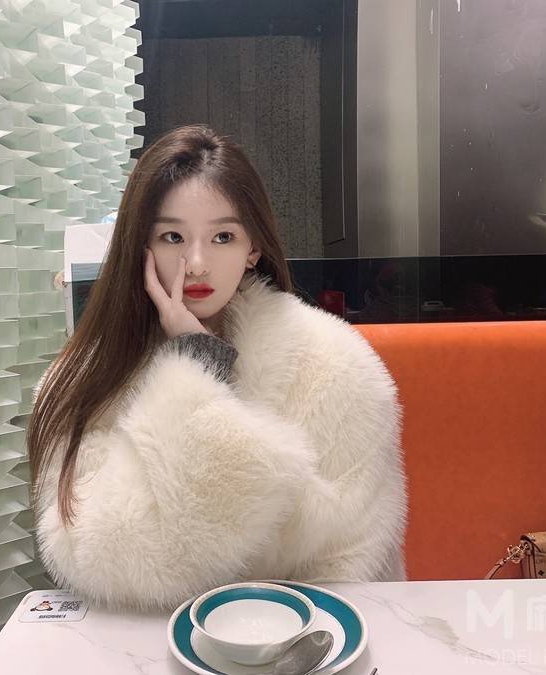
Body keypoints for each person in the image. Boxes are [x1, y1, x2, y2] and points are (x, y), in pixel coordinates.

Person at [27, 125, 408, 610]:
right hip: (149, 638)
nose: (197, 263)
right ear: (139, 246)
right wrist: (198, 364)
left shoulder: (335, 364)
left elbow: (352, 564)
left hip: (306, 635)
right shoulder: (86, 377)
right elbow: (104, 557)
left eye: (223, 236)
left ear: (253, 249)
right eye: (172, 236)